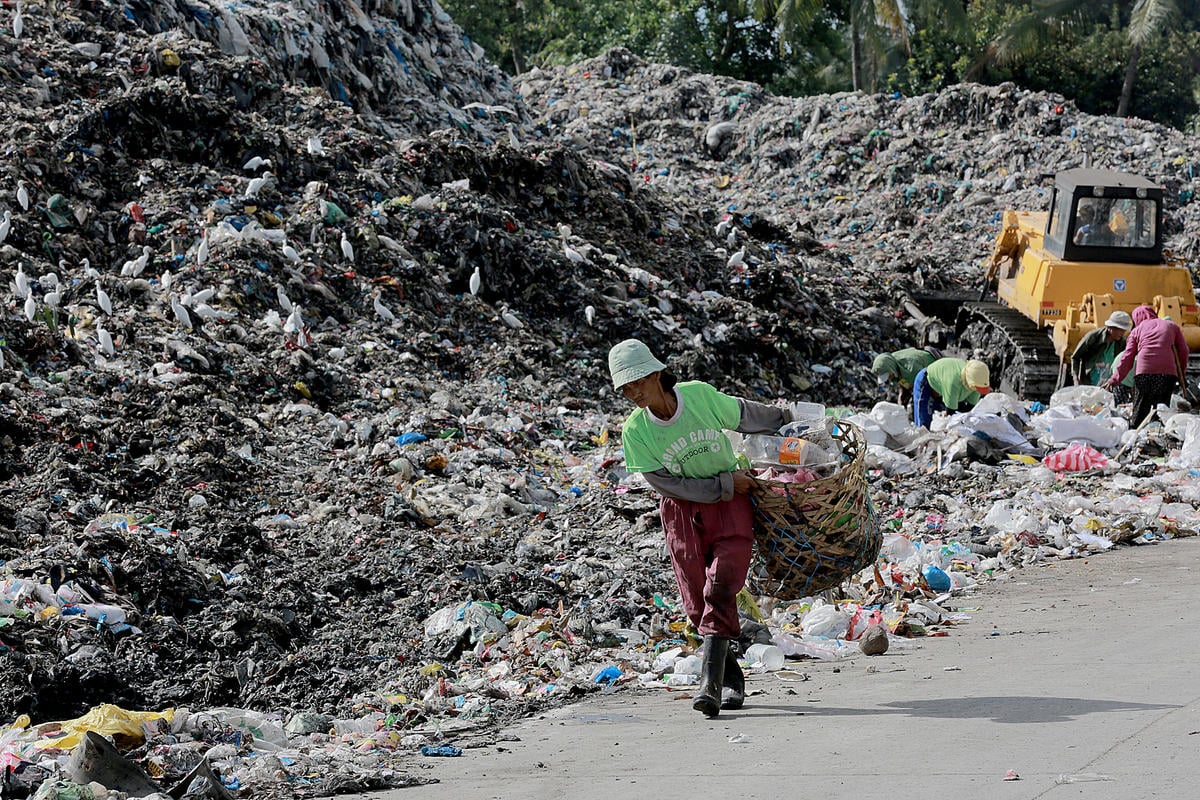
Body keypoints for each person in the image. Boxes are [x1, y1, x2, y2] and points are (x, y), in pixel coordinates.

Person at [609, 338, 791, 718]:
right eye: (625, 388)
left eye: (637, 382)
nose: (632, 393)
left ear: (656, 373)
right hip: (684, 512)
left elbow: (743, 415)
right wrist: (727, 483)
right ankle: (731, 679)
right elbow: (668, 485)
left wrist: (789, 419)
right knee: (695, 602)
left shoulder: (698, 397)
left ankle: (708, 683)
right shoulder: (635, 432)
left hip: (730, 506)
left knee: (722, 584)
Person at [1106, 305, 1189, 427]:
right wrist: (1181, 371)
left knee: (1140, 412)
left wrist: (1115, 379)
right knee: (1161, 411)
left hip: (1144, 374)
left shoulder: (1137, 331)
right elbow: (1184, 351)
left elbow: (1127, 357)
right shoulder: (1172, 326)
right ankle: (1157, 438)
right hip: (1167, 374)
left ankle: (1135, 438)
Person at [1070, 311, 1133, 402]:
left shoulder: (1122, 342)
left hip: (1106, 386)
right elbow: (1075, 357)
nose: (1122, 333)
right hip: (1089, 382)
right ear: (1111, 327)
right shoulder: (1093, 337)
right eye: (1120, 330)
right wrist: (1075, 378)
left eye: (1124, 330)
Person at [912, 357, 991, 429]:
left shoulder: (976, 384)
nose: (978, 390)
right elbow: (951, 412)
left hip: (943, 388)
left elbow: (969, 409)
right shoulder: (953, 381)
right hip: (927, 382)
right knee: (923, 425)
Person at [872, 347, 938, 405]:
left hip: (935, 371)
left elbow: (922, 387)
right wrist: (901, 396)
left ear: (890, 368)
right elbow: (903, 383)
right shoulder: (892, 363)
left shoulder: (910, 369)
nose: (889, 378)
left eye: (888, 375)